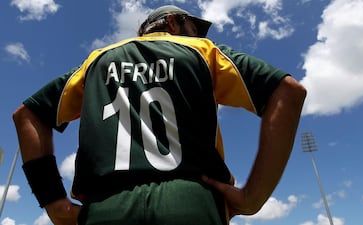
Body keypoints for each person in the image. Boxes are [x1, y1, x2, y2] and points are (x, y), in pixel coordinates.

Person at [13, 5, 306, 225]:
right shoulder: (203, 50)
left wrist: (54, 202)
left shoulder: (97, 59)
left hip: (105, 208)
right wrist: (252, 197)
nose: (196, 35)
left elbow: (28, 114)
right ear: (171, 22)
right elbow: (288, 91)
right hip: (191, 202)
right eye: (192, 27)